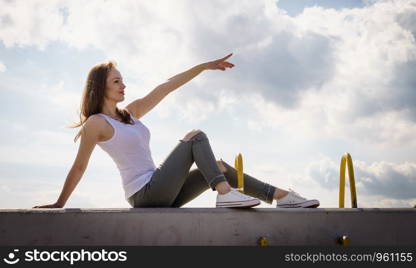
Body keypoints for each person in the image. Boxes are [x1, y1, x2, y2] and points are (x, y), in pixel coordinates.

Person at [33, 53, 319, 209]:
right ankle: (224, 193)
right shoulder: (96, 124)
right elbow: (79, 167)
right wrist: (60, 203)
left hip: (162, 189)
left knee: (218, 166)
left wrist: (204, 67)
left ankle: (281, 197)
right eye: (117, 81)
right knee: (196, 135)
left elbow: (167, 85)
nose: (123, 85)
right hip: (143, 194)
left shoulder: (130, 114)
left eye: (123, 80)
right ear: (101, 86)